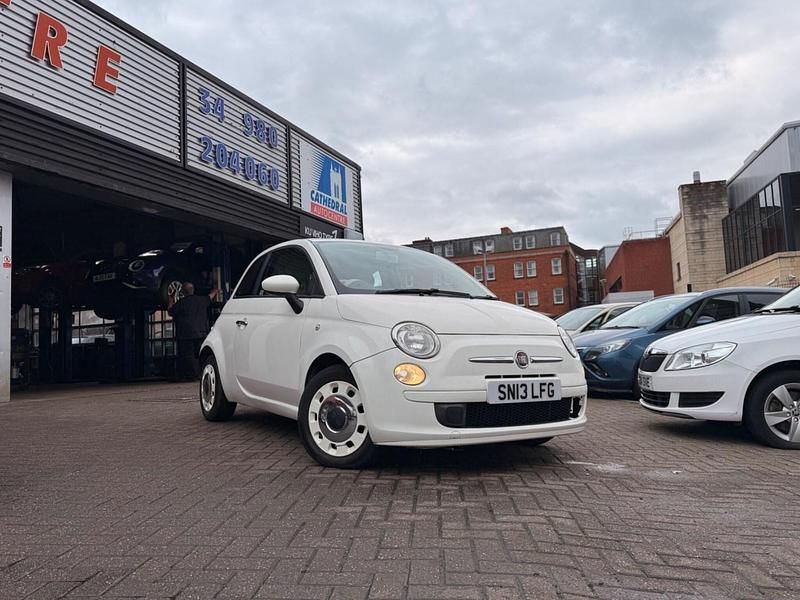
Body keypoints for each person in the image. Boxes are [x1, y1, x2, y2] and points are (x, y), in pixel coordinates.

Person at [167, 282, 218, 381]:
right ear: (193, 290)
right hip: (201, 333)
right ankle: (203, 373)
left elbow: (170, 311)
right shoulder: (202, 300)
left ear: (182, 292)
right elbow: (210, 296)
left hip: (186, 335)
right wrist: (216, 289)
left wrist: (170, 299)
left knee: (188, 356)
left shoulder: (181, 303)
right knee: (201, 355)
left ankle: (193, 375)